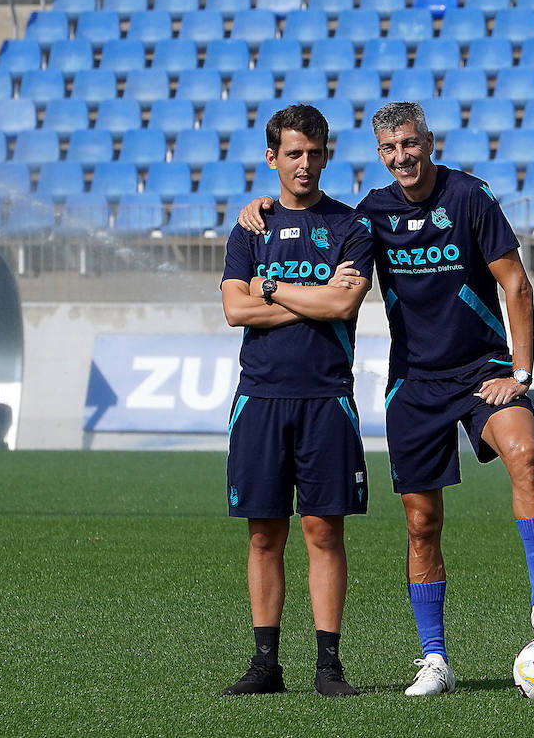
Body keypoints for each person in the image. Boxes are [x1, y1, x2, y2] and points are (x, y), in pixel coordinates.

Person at [238, 101, 534, 697]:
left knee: (524, 453)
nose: (402, 158)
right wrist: (259, 207)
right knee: (421, 523)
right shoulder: (369, 217)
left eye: (410, 145)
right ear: (379, 154)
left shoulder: (471, 197)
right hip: (413, 385)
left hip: (483, 372)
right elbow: (313, 257)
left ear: (429, 142)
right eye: (389, 149)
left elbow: (515, 283)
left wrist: (520, 372)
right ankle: (435, 660)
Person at [219, 104, 375, 698]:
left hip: (326, 397)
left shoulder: (351, 227)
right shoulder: (249, 227)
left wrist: (273, 288)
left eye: (314, 153)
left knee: (323, 531)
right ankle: (265, 663)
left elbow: (342, 307)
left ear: (327, 154)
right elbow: (235, 310)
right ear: (272, 159)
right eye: (292, 154)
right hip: (259, 398)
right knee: (264, 534)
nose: (304, 164)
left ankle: (328, 667)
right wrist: (311, 295)